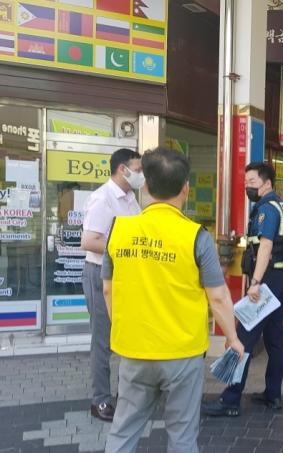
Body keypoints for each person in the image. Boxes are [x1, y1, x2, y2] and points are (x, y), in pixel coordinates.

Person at [102, 147, 244, 452]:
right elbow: (218, 297)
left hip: (134, 350)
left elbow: (108, 290)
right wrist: (232, 338)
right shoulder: (196, 236)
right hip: (183, 353)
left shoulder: (119, 230)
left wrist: (124, 329)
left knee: (123, 431)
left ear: (145, 186)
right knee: (182, 436)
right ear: (186, 189)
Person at [202, 162, 283, 417]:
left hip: (266, 281)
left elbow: (265, 247)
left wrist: (255, 283)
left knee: (243, 338)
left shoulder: (267, 209)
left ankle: (230, 400)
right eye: (246, 182)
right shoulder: (280, 205)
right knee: (274, 339)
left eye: (252, 182)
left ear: (267, 183)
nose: (248, 187)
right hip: (278, 279)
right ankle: (273, 394)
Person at [80, 148, 143, 422]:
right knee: (102, 341)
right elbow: (88, 241)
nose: (141, 175)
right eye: (137, 169)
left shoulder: (131, 199)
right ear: (122, 169)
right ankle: (101, 401)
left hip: (124, 275)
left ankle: (125, 396)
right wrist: (124, 247)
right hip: (99, 274)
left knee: (125, 337)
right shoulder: (102, 198)